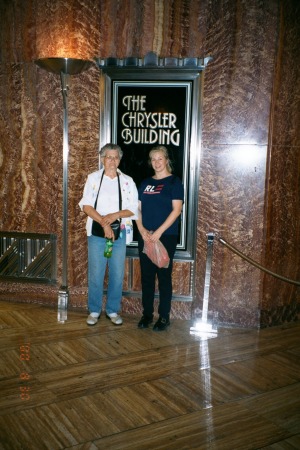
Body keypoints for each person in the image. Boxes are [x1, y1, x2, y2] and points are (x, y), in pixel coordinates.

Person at [79, 143, 138, 326]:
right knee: (96, 273)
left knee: (117, 273)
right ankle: (94, 310)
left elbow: (133, 208)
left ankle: (112, 310)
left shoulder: (127, 181)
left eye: (116, 157)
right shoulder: (93, 178)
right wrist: (104, 223)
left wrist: (115, 216)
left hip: (119, 234)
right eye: (109, 157)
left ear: (119, 160)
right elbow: (86, 206)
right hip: (97, 233)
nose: (112, 161)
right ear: (102, 158)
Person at [136, 145, 184, 331]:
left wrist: (159, 232)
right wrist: (141, 229)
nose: (156, 162)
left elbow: (176, 210)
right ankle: (147, 315)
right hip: (146, 236)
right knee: (147, 278)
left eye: (160, 158)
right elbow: (137, 209)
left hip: (166, 236)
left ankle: (164, 317)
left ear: (166, 160)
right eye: (153, 159)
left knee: (163, 277)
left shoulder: (174, 182)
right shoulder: (145, 183)